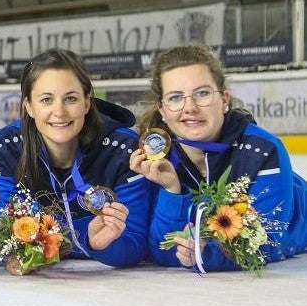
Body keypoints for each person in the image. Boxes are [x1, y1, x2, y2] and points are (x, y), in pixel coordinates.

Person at [129, 45, 307, 270]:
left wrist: (208, 255)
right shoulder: (154, 158)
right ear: (162, 109)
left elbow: (268, 240)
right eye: (175, 98)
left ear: (224, 99)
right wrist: (171, 190)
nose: (190, 107)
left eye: (202, 93)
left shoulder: (263, 150)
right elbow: (163, 251)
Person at [0, 49, 151, 268]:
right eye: (47, 100)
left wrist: (99, 245)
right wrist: (79, 235)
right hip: (42, 285)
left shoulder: (123, 150)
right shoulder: (7, 147)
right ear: (29, 106)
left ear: (86, 103)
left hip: (105, 285)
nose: (60, 112)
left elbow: (136, 243)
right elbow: (4, 237)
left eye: (71, 99)